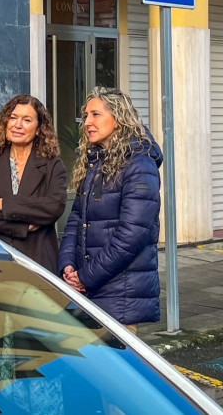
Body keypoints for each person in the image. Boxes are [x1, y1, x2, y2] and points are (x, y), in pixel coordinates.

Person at [57, 87, 162, 333]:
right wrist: (68, 266)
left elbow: (131, 236)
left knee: (113, 368)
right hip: (90, 287)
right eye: (86, 116)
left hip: (121, 293)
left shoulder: (139, 164)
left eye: (95, 115)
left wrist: (86, 277)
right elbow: (75, 220)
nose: (87, 123)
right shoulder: (95, 161)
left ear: (119, 118)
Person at [0, 95, 67, 272]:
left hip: (38, 262)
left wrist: (6, 204)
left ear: (39, 129)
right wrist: (22, 226)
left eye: (27, 120)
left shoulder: (52, 165)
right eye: (13, 118)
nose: (18, 125)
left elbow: (53, 206)